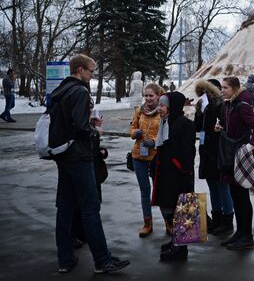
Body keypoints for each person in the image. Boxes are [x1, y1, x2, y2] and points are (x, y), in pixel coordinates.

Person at [50, 54, 129, 274]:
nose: (92, 75)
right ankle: (103, 261)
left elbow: (67, 122)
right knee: (90, 208)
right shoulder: (80, 91)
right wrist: (94, 131)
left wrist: (86, 123)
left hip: (63, 154)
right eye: (91, 71)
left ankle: (65, 259)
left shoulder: (62, 90)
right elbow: (79, 126)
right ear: (80, 70)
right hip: (79, 156)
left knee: (65, 207)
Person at [215, 76, 254, 250]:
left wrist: (253, 147)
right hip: (230, 155)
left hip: (240, 156)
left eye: (225, 88)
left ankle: (247, 236)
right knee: (236, 197)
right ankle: (240, 232)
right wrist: (220, 127)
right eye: (222, 87)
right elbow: (231, 125)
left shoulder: (242, 106)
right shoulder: (228, 104)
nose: (222, 90)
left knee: (242, 198)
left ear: (235, 89)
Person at [151, 91, 196, 262]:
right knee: (170, 208)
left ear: (172, 107)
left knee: (181, 211)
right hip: (167, 174)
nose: (159, 108)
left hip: (179, 176)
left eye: (162, 105)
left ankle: (181, 249)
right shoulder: (166, 122)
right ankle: (175, 241)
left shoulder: (184, 124)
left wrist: (184, 173)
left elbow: (188, 152)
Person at [194, 79, 234, 236]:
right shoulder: (204, 105)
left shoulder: (222, 106)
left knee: (222, 186)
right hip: (206, 151)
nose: (205, 96)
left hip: (219, 151)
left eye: (207, 92)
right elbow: (198, 127)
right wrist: (198, 112)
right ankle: (217, 217)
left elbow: (227, 127)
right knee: (212, 185)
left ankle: (227, 220)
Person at [129, 83, 164, 237]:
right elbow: (131, 129)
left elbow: (166, 133)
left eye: (151, 95)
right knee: (145, 191)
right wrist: (134, 132)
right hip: (139, 156)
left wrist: (155, 141)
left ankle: (169, 222)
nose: (148, 98)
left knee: (161, 191)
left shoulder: (162, 112)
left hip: (156, 156)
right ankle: (147, 223)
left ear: (158, 96)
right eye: (146, 96)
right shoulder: (139, 111)